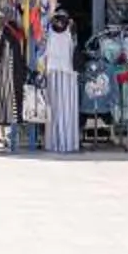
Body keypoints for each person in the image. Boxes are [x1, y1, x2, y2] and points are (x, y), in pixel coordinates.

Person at [43, 10, 81, 155]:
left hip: (55, 72)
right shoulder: (70, 29)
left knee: (54, 109)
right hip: (66, 73)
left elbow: (43, 51)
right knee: (66, 109)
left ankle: (54, 142)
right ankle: (67, 142)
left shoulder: (49, 29)